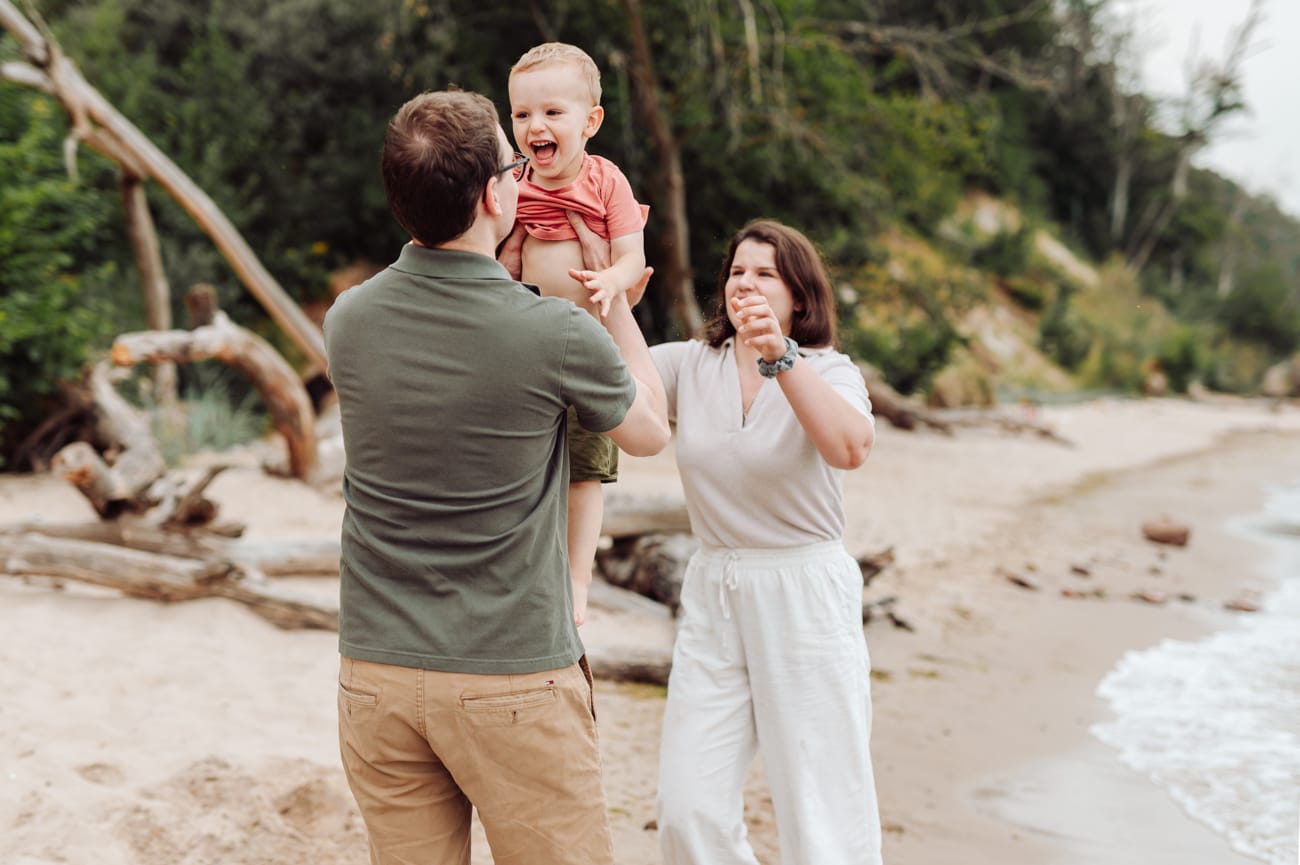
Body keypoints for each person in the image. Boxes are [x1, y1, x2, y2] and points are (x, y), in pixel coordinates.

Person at [323, 89, 669, 865]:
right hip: (513, 671)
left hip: (375, 671)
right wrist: (616, 304)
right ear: (494, 194)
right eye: (514, 167)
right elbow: (650, 430)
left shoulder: (348, 320)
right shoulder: (555, 332)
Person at [649, 219, 883, 865]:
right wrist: (614, 296)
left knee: (821, 811)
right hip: (714, 591)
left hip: (803, 593)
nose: (744, 283)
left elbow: (850, 447)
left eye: (764, 273)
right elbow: (615, 376)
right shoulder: (692, 363)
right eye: (736, 271)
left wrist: (781, 356)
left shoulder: (830, 370)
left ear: (799, 297)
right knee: (687, 809)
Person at [498, 41, 651, 627]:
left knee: (586, 470)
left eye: (552, 112)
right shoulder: (513, 181)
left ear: (591, 122)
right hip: (527, 349)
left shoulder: (605, 180)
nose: (534, 126)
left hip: (588, 346)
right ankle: (521, 563)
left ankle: (578, 579)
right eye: (522, 114)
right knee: (523, 462)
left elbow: (633, 257)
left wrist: (611, 280)